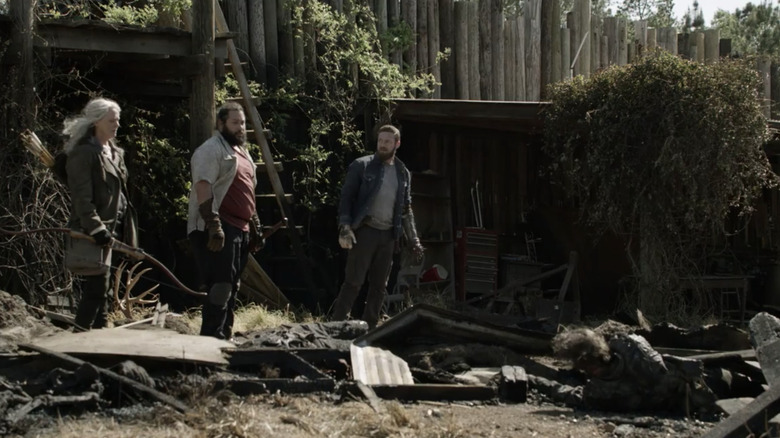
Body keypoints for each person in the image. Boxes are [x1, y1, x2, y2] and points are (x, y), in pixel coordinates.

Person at [331, 124, 424, 329]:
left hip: (389, 235)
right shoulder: (362, 166)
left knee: (379, 286)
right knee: (354, 281)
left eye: (387, 142)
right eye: (381, 141)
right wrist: (345, 226)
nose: (382, 145)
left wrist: (414, 239)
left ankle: (370, 327)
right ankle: (336, 325)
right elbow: (347, 198)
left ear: (397, 144)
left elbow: (406, 209)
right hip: (365, 230)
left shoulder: (402, 173)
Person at [187, 102, 265, 340]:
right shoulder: (211, 150)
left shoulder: (243, 153)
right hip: (218, 226)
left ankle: (225, 336)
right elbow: (203, 185)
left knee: (232, 286)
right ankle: (211, 337)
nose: (241, 128)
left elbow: (247, 193)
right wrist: (213, 225)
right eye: (235, 123)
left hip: (240, 228)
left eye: (242, 123)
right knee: (220, 286)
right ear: (221, 124)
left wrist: (256, 226)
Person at [63, 97, 137, 330]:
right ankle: (80, 335)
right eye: (111, 120)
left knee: (101, 287)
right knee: (97, 287)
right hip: (92, 230)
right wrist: (96, 228)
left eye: (118, 120)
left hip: (113, 228)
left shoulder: (114, 152)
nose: (117, 125)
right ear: (96, 122)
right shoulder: (83, 154)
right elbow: (82, 199)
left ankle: (99, 332)